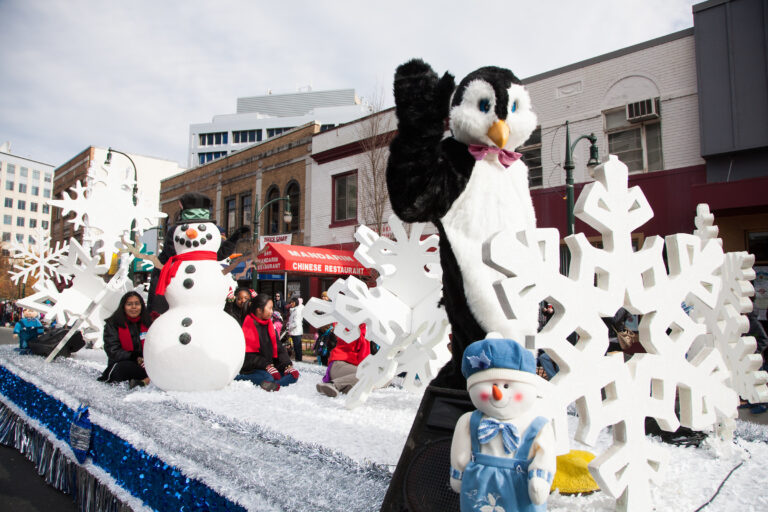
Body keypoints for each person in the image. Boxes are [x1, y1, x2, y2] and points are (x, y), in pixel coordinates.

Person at [237, 293, 299, 391]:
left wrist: (287, 365)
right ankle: (239, 378)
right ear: (259, 310)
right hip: (253, 367)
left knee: (293, 375)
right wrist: (266, 366)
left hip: (269, 365)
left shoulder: (269, 324)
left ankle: (274, 384)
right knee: (268, 377)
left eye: (272, 308)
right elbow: (249, 356)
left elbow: (279, 347)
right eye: (269, 308)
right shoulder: (249, 325)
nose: (272, 311)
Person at [97, 291, 153, 387]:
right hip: (123, 363)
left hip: (146, 364)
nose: (134, 307)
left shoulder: (149, 323)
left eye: (137, 304)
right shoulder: (113, 324)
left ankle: (144, 382)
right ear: (123, 306)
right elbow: (112, 350)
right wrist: (134, 357)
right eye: (129, 304)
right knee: (124, 368)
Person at [316, 323, 370, 397]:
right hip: (339, 365)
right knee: (368, 375)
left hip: (350, 370)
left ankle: (345, 387)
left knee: (377, 379)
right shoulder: (352, 327)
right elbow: (363, 359)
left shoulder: (364, 330)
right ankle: (333, 385)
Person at [286, 296, 305, 362]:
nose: (291, 304)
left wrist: (289, 326)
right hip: (294, 331)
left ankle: (299, 360)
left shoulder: (297, 311)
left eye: (292, 302)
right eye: (290, 302)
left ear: (296, 302)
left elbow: (296, 323)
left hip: (296, 332)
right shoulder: (294, 310)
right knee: (296, 347)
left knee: (297, 347)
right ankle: (298, 359)